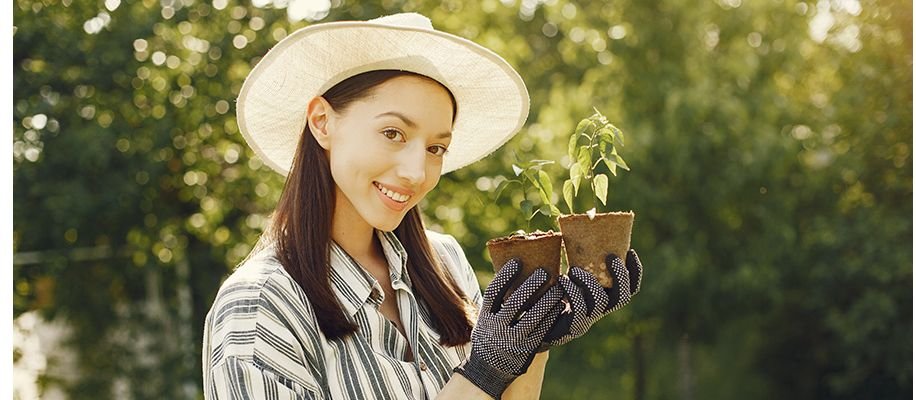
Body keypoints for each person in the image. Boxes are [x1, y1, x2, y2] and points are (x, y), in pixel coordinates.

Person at [202, 12, 643, 400]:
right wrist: (485, 372)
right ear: (322, 122)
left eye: (436, 148)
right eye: (393, 133)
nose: (416, 172)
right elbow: (482, 383)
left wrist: (534, 342)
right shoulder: (259, 307)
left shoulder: (443, 262)